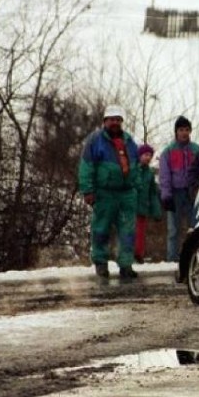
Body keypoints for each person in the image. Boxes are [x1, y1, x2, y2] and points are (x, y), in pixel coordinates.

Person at [78, 105, 140, 280]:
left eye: (118, 120)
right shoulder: (95, 140)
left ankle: (126, 264)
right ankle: (100, 264)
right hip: (104, 193)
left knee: (128, 231)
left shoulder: (129, 141)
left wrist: (137, 188)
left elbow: (137, 167)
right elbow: (86, 167)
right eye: (111, 119)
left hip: (127, 194)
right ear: (105, 121)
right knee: (101, 229)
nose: (115, 123)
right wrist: (88, 190)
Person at [160, 115, 199, 262]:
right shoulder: (168, 152)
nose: (184, 133)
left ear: (190, 131)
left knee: (195, 228)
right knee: (173, 229)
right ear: (176, 132)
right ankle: (172, 259)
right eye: (181, 129)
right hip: (175, 194)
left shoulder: (196, 150)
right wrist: (166, 196)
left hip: (191, 194)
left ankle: (194, 258)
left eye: (186, 129)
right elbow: (164, 176)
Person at [133, 143, 162, 264]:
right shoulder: (133, 169)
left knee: (140, 232)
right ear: (139, 155)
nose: (148, 157)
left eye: (150, 155)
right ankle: (128, 254)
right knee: (129, 232)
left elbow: (153, 194)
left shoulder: (149, 173)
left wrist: (156, 211)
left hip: (143, 208)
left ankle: (139, 254)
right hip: (130, 207)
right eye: (145, 154)